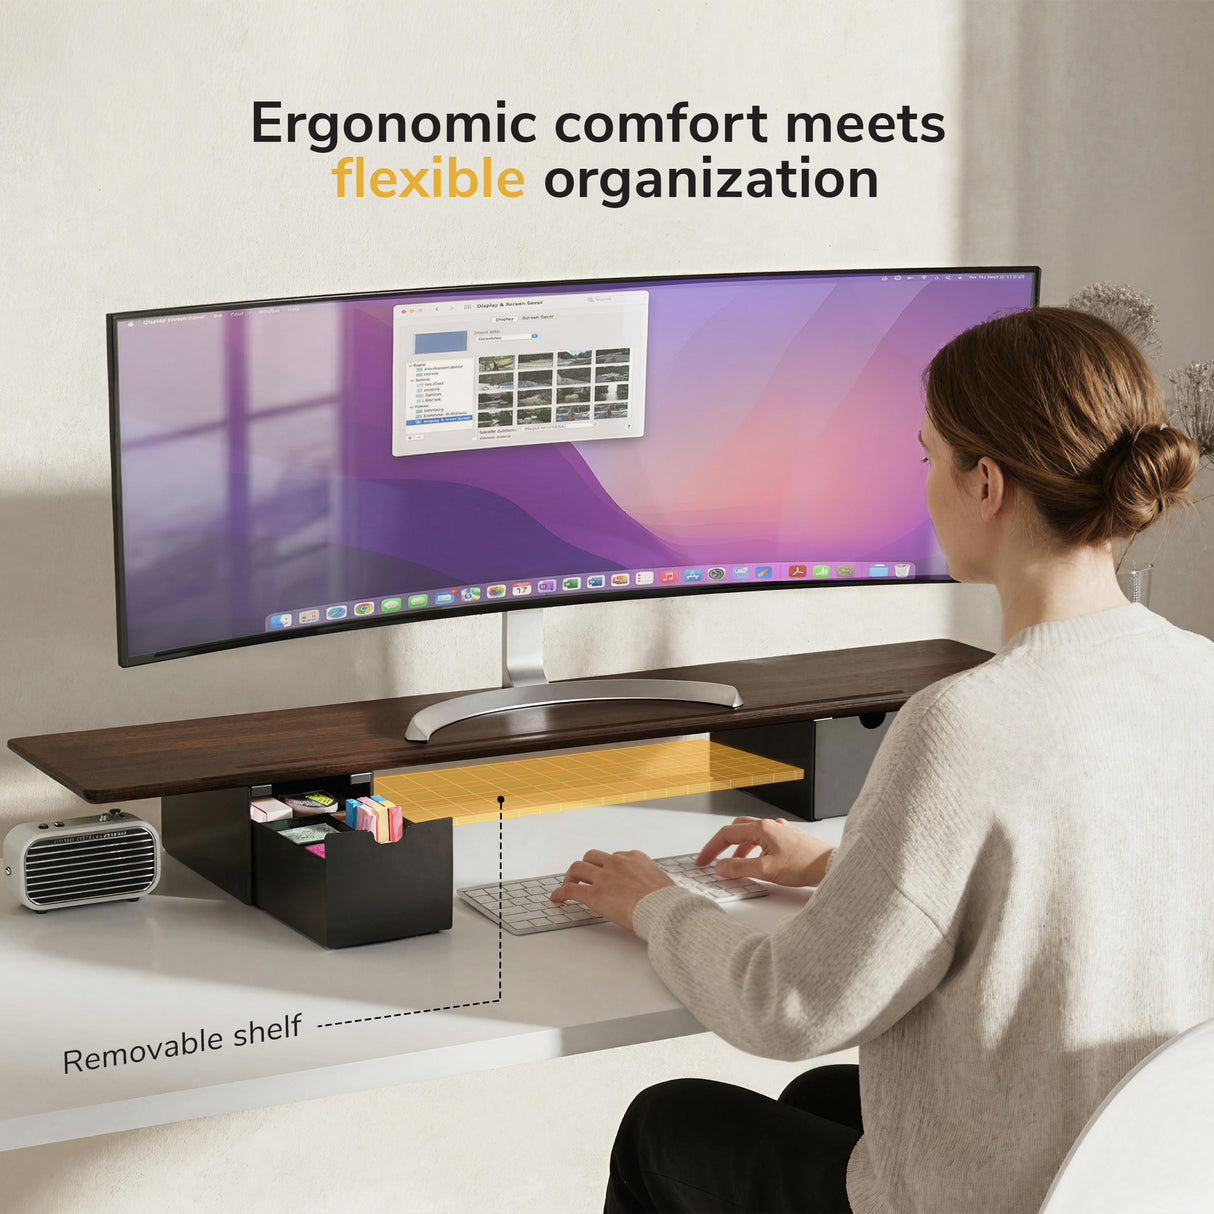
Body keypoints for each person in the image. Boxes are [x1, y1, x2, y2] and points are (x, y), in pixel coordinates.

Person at [549, 306, 1214, 1213]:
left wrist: (654, 906)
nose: (923, 485)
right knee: (824, 1103)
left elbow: (791, 1009)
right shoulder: (1198, 673)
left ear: (987, 484)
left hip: (1000, 1194)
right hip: (1137, 1173)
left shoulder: (965, 721)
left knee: (667, 1124)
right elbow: (1096, 874)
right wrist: (843, 868)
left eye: (926, 456)